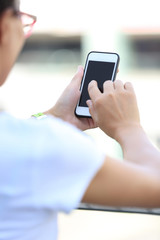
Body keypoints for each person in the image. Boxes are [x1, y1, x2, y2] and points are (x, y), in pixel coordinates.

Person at [0, 0, 160, 239]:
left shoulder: (30, 144)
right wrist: (128, 127)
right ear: (4, 28)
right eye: (22, 19)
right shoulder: (43, 148)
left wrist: (57, 117)